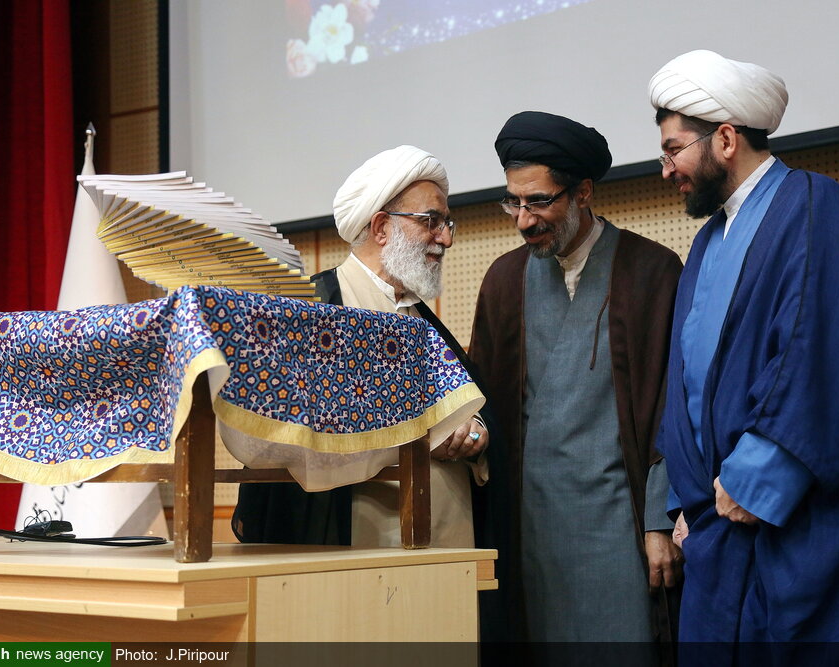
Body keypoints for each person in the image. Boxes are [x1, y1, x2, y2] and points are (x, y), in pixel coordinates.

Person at [648, 50, 839, 655]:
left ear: (725, 139)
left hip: (779, 520)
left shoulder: (810, 202)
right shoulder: (707, 242)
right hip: (713, 524)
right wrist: (687, 497)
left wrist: (752, 479)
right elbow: (685, 381)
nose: (666, 169)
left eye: (673, 150)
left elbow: (815, 355)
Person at [469, 111, 684, 647]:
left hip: (621, 522)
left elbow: (673, 405)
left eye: (539, 201)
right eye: (513, 203)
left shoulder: (651, 272)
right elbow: (482, 404)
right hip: (530, 526)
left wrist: (659, 520)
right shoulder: (503, 281)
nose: (524, 220)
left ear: (583, 192)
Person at [232, 145, 489, 548]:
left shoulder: (422, 319)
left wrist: (475, 433)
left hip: (448, 545)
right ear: (382, 227)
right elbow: (281, 434)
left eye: (446, 223)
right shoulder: (312, 308)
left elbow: (469, 407)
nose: (446, 238)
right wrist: (422, 438)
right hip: (360, 549)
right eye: (431, 221)